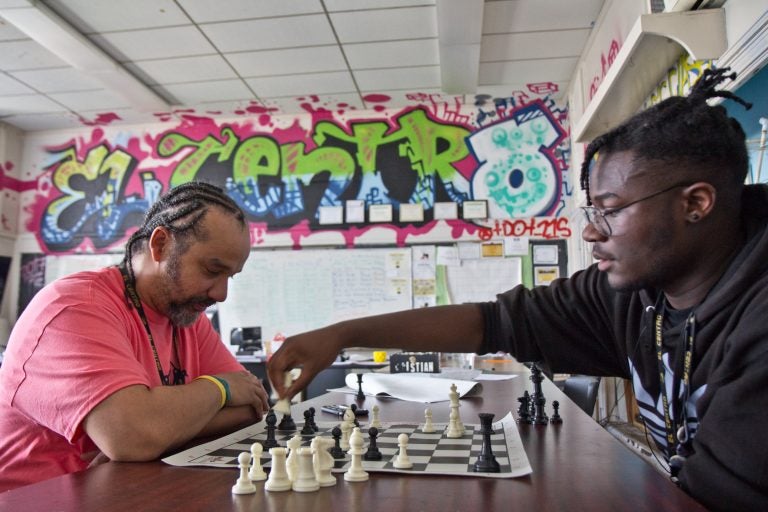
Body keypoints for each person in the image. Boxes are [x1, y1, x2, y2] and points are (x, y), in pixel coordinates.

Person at [268, 67, 768, 511]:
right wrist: (345, 333)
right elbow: (496, 321)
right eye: (590, 212)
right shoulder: (634, 296)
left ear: (696, 203)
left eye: (610, 210)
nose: (591, 232)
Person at [0, 182, 270, 491]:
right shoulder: (74, 307)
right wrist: (219, 388)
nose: (221, 294)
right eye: (212, 270)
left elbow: (251, 405)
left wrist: (157, 434)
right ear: (161, 245)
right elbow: (132, 435)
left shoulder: (186, 315)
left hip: (125, 494)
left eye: (229, 277)